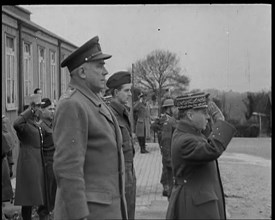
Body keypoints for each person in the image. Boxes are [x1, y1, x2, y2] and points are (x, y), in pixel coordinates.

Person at [53, 36, 127, 220]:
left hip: (105, 210)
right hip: (90, 213)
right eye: (100, 66)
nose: (105, 72)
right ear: (83, 72)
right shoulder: (72, 104)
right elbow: (67, 169)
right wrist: (79, 216)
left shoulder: (92, 101)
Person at [166, 92, 236, 219]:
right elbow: (212, 149)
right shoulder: (185, 140)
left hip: (198, 204)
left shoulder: (189, 133)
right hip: (194, 208)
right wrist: (220, 121)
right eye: (204, 113)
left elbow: (208, 139)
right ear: (190, 115)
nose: (208, 117)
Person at [13, 94, 49, 220]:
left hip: (36, 160)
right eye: (37, 106)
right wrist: (31, 109)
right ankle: (26, 217)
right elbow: (16, 124)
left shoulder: (34, 122)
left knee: (35, 193)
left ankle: (38, 214)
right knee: (27, 195)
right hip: (28, 161)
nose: (39, 108)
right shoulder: (24, 123)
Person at [106, 71, 136, 219]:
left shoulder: (123, 113)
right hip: (119, 175)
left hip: (129, 172)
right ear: (116, 92)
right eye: (126, 90)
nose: (130, 94)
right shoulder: (110, 115)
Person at [151, 98, 177, 198]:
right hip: (167, 147)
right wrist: (160, 133)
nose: (174, 109)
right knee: (167, 167)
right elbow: (153, 126)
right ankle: (166, 187)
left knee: (165, 167)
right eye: (173, 107)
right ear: (169, 108)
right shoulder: (166, 119)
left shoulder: (167, 118)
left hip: (166, 146)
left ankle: (165, 185)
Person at [36, 98, 57, 219]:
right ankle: (44, 214)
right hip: (47, 161)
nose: (52, 111)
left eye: (54, 109)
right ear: (42, 111)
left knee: (54, 189)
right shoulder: (41, 127)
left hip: (56, 158)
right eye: (49, 109)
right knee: (47, 190)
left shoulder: (54, 124)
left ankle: (52, 212)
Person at [2, 115, 18, 220]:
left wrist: (11, 164)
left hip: (3, 161)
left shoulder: (4, 122)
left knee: (3, 192)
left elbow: (9, 148)